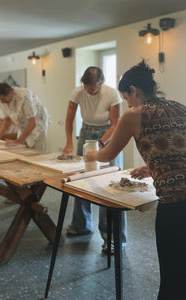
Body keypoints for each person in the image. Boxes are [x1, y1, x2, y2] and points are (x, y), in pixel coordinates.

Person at [84, 60, 186, 299]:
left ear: (133, 90)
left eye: (127, 97)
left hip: (176, 207)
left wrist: (92, 154)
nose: (127, 103)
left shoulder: (134, 115)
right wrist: (153, 168)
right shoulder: (180, 108)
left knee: (172, 280)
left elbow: (108, 154)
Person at [61, 66, 127, 252]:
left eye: (93, 88)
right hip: (86, 132)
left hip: (107, 134)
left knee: (109, 185)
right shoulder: (78, 92)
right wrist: (68, 142)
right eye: (86, 87)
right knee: (82, 180)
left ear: (102, 83)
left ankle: (113, 239)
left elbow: (116, 124)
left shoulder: (112, 94)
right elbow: (69, 119)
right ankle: (81, 225)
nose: (89, 91)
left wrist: (100, 144)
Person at [0, 83, 50, 151]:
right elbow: (7, 121)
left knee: (37, 153)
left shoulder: (24, 97)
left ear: (10, 93)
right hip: (23, 124)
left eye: (3, 99)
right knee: (20, 150)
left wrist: (17, 141)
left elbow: (32, 123)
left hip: (38, 123)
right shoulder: (3, 101)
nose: (1, 102)